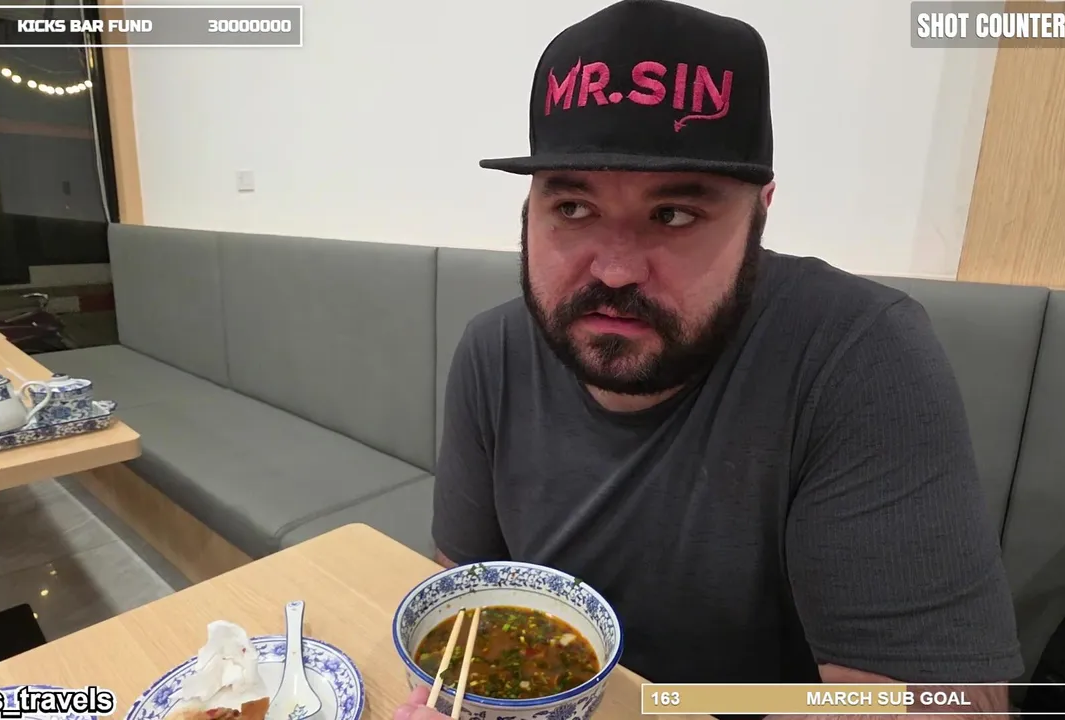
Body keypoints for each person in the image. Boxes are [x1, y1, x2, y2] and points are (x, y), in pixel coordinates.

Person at [399, 0, 1024, 717]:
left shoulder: (858, 357)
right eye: (572, 208)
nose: (614, 269)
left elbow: (948, 702)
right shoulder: (493, 350)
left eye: (674, 214)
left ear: (761, 212)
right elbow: (458, 594)